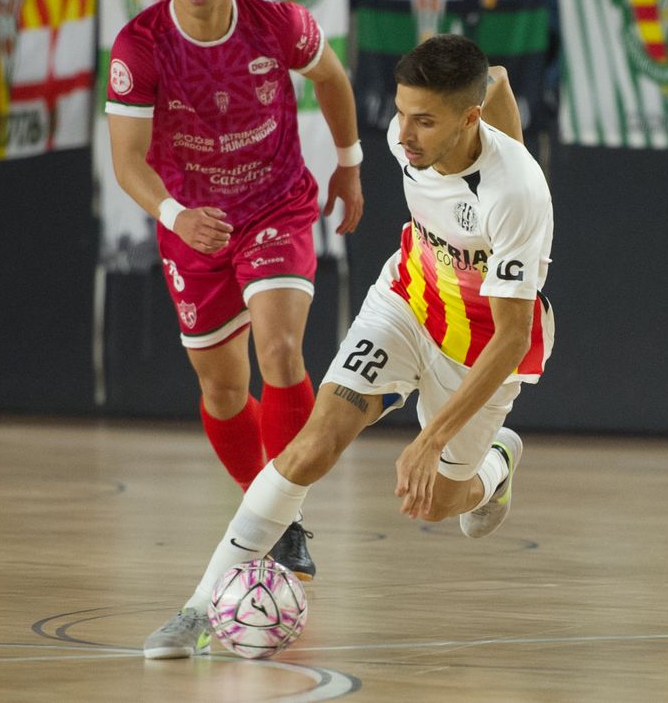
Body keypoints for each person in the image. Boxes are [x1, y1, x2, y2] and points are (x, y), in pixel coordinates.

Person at [142, 34, 555, 659]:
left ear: (468, 120)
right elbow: (492, 79)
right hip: (405, 300)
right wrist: (489, 78)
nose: (406, 133)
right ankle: (198, 609)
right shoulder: (407, 139)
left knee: (441, 503)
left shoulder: (518, 194)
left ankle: (495, 466)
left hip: (478, 346)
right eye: (401, 111)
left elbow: (512, 336)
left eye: (425, 119)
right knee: (312, 445)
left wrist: (433, 436)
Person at [104, 0, 365, 626]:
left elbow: (334, 79)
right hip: (192, 225)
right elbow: (127, 162)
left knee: (281, 350)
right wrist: (177, 215)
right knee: (223, 390)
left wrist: (349, 163)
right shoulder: (140, 47)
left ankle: (283, 516)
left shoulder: (276, 23)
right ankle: (271, 506)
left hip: (277, 205)